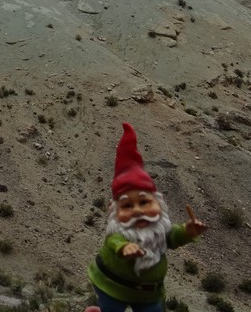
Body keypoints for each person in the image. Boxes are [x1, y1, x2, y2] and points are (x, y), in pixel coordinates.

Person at [87, 123, 207, 312]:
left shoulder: (158, 230)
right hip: (111, 286)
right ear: (115, 211)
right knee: (110, 308)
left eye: (144, 203)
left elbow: (170, 237)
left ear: (158, 203)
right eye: (127, 205)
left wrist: (187, 231)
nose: (137, 211)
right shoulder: (119, 233)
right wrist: (125, 248)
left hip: (148, 295)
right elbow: (114, 243)